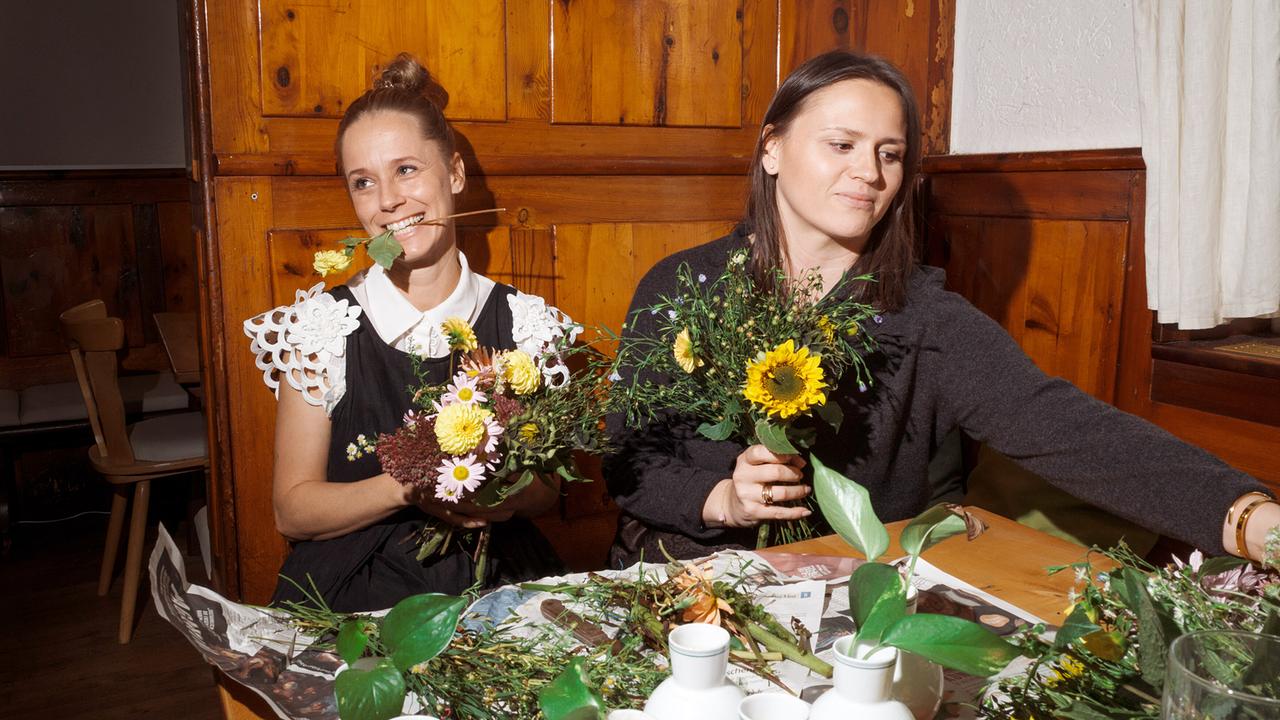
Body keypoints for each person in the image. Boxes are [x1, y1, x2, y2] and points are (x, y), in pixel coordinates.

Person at [605, 50, 1280, 569]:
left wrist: (1248, 518)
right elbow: (628, 460)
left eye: (890, 153)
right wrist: (722, 499)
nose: (869, 172)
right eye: (841, 144)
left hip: (852, 593)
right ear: (772, 148)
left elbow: (1062, 425)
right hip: (687, 571)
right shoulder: (681, 286)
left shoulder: (922, 315)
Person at [244, 54, 562, 612]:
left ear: (455, 174)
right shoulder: (322, 328)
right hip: (354, 586)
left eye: (407, 169)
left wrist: (495, 486)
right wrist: (409, 487)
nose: (388, 200)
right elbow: (292, 510)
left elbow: (546, 494)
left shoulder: (524, 322)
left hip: (498, 577)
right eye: (363, 182)